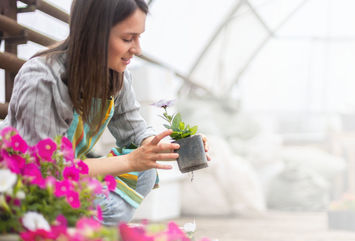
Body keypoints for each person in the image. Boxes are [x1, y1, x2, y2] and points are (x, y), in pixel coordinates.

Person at [0, 0, 209, 226]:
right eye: (128, 39)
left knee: (146, 171)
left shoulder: (117, 76)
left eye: (139, 37)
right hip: (24, 183)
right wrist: (130, 161)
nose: (137, 49)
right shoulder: (43, 78)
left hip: (68, 179)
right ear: (94, 34)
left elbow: (134, 129)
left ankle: (81, 219)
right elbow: (45, 169)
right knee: (125, 180)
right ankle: (72, 222)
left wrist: (167, 147)